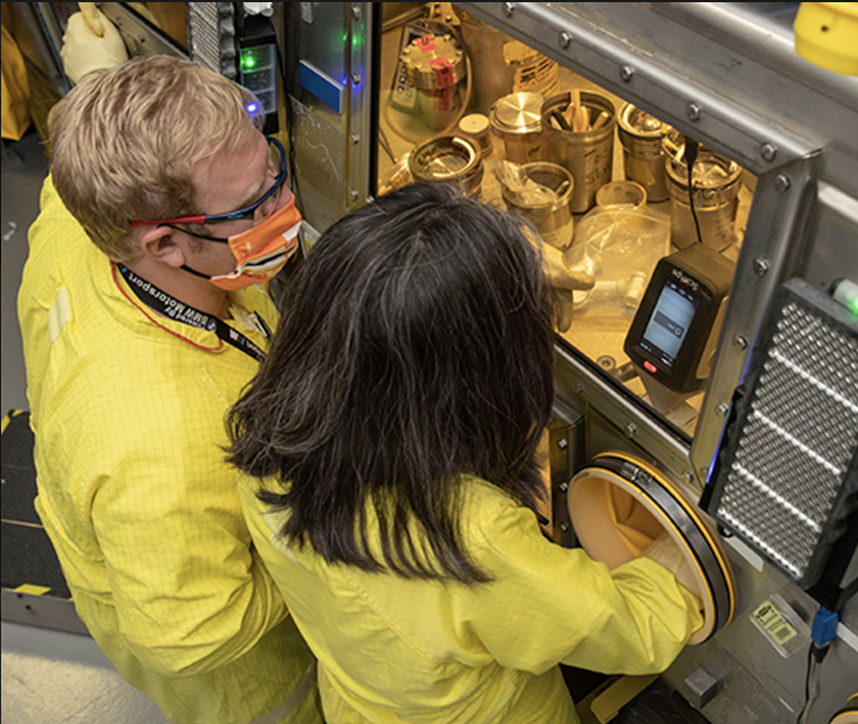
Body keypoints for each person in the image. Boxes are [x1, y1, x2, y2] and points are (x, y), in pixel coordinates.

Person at [227, 181, 703, 724]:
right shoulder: (469, 534)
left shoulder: (270, 438)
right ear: (471, 383)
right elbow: (623, 631)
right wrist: (669, 569)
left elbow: (384, 289)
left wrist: (498, 272)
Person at [17, 55, 320, 724]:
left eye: (270, 166)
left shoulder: (78, 219)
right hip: (253, 684)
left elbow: (82, 132)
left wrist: (101, 73)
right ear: (165, 245)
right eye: (253, 206)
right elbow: (193, 634)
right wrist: (322, 554)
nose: (284, 204)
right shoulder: (160, 449)